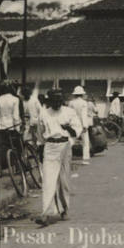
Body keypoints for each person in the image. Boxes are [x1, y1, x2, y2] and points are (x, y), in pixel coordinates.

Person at [36, 88, 83, 226]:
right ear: (49, 100)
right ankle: (45, 214)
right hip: (50, 147)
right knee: (49, 181)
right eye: (55, 100)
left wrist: (68, 128)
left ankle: (64, 209)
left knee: (63, 181)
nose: (58, 102)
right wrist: (41, 149)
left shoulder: (69, 112)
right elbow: (40, 135)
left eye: (60, 99)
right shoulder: (44, 114)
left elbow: (76, 131)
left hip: (65, 146)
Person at [0, 81, 22, 176]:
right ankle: (17, 168)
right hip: (11, 127)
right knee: (16, 146)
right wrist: (18, 129)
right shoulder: (15, 99)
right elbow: (15, 116)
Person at [68, 86, 92, 165]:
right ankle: (85, 159)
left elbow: (69, 115)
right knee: (85, 142)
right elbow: (83, 114)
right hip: (81, 124)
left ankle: (67, 157)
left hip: (73, 124)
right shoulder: (84, 102)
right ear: (82, 94)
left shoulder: (71, 103)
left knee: (71, 141)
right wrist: (85, 125)